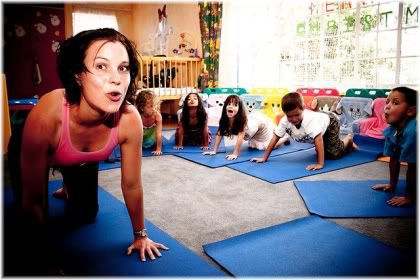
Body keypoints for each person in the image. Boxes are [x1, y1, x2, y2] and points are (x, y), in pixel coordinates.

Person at [15, 28, 168, 268]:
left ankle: (68, 184)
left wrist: (141, 235)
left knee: (86, 215)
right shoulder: (48, 114)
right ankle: (63, 185)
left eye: (123, 67)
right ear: (78, 75)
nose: (116, 78)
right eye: (101, 66)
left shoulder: (129, 119)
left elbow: (132, 184)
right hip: (31, 146)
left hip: (79, 159)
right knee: (22, 212)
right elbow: (34, 201)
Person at [251, 91, 356, 170]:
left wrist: (320, 164)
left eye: (297, 115)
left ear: (303, 109)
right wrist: (264, 158)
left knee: (333, 154)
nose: (294, 119)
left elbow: (318, 140)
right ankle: (330, 146)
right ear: (285, 113)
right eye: (290, 116)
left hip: (330, 122)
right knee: (322, 150)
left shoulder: (310, 122)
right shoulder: (284, 121)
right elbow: (274, 138)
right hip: (319, 120)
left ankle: (348, 139)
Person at [203, 94, 288, 160]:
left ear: (240, 109)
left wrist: (235, 154)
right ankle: (275, 132)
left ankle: (285, 137)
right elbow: (219, 133)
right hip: (254, 127)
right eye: (228, 104)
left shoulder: (243, 122)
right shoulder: (225, 119)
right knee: (253, 145)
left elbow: (240, 137)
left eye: (235, 105)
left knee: (267, 146)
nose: (231, 106)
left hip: (261, 124)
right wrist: (214, 151)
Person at [372, 87, 417, 207]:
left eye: (395, 103)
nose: (387, 106)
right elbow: (394, 158)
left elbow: (414, 167)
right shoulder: (392, 129)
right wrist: (392, 185)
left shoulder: (414, 133)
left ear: (410, 111)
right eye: (387, 102)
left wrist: (409, 197)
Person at [135, 89, 163, 155]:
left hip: (153, 141)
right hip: (140, 141)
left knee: (159, 138)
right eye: (150, 106)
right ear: (142, 108)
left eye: (155, 105)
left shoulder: (157, 116)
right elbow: (134, 135)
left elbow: (159, 134)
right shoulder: (137, 117)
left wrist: (158, 149)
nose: (154, 109)